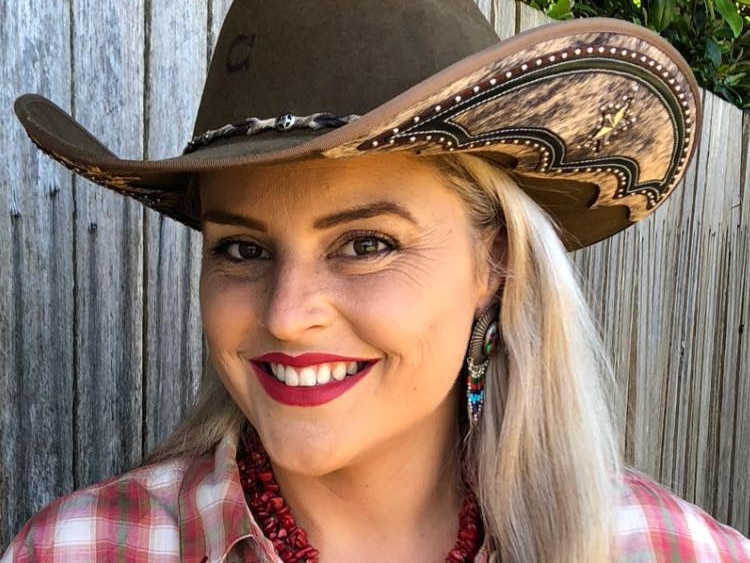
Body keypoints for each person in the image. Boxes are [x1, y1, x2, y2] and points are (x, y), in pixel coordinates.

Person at [3, 0, 749, 561]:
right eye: (242, 249)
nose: (289, 315)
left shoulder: (666, 548)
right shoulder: (81, 548)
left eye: (366, 243)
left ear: (494, 263)